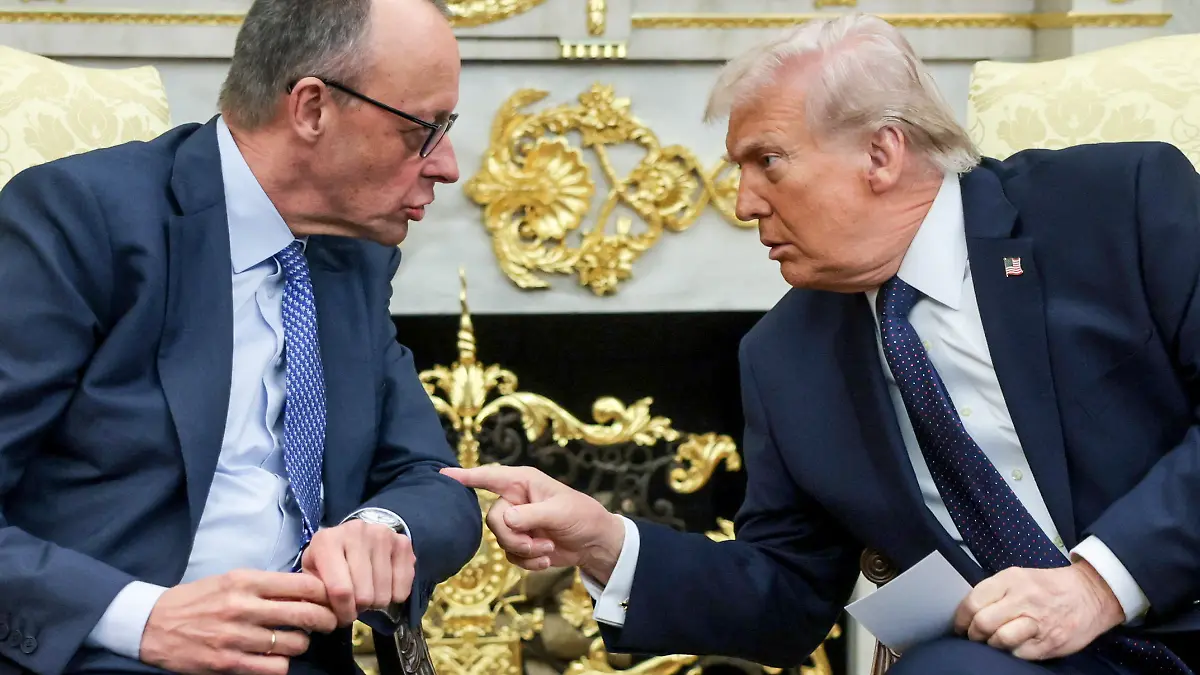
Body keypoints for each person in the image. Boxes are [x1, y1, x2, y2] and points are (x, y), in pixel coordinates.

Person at [442, 12, 1200, 675]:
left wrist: (1101, 582)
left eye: (766, 160)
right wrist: (607, 540)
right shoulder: (785, 356)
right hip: (1024, 659)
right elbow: (786, 590)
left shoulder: (1114, 205)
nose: (742, 203)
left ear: (882, 152)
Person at [0, 0, 482, 673]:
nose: (447, 165)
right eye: (422, 131)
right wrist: (143, 618)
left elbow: (436, 480)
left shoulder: (352, 257)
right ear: (312, 108)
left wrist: (382, 530)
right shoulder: (82, 220)